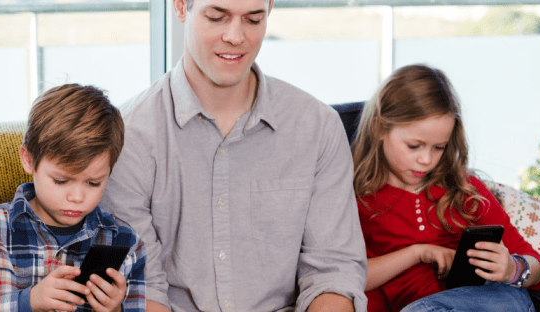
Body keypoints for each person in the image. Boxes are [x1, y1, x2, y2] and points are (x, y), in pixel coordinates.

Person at [99, 0, 368, 311]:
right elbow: (143, 289)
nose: (236, 36)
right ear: (181, 6)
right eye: (217, 17)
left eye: (253, 20)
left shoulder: (317, 126)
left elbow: (332, 272)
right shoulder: (128, 135)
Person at [0, 84, 146, 312]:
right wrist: (27, 301)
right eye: (61, 181)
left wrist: (115, 310)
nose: (77, 197)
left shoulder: (126, 243)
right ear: (29, 160)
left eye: (93, 183)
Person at [351, 64, 540, 312]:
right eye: (414, 146)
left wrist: (511, 268)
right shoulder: (359, 202)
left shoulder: (465, 190)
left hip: (493, 300)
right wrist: (418, 253)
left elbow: (536, 268)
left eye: (439, 147)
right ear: (379, 128)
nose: (426, 160)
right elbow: (352, 277)